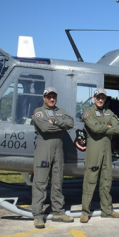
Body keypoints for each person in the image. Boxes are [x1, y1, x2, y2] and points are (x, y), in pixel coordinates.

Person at [31, 87, 75, 229]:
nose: (51, 99)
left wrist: (55, 122)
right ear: (44, 98)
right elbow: (44, 128)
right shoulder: (38, 112)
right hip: (44, 151)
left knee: (58, 181)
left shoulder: (60, 111)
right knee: (40, 182)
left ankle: (58, 211)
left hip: (58, 152)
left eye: (53, 96)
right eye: (48, 96)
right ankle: (38, 215)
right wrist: (60, 125)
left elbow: (71, 123)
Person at [80, 88, 119, 223]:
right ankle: (85, 211)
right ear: (94, 97)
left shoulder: (109, 113)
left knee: (106, 179)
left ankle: (107, 210)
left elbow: (116, 129)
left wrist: (104, 127)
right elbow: (94, 128)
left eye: (103, 98)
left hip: (106, 151)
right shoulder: (88, 112)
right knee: (90, 179)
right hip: (94, 150)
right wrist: (107, 127)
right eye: (98, 97)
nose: (100, 100)